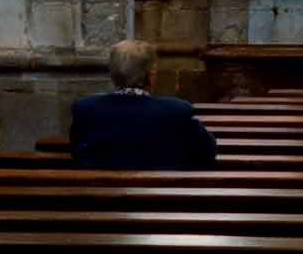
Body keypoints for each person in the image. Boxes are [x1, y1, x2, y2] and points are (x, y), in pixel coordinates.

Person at [67, 38, 218, 168]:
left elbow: (76, 150)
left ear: (112, 76)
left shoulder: (85, 110)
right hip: (163, 198)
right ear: (151, 77)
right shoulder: (176, 111)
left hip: (96, 200)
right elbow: (207, 151)